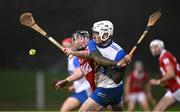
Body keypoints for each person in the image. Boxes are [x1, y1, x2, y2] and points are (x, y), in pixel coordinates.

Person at [61, 20, 132, 111]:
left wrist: (122, 67)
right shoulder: (92, 43)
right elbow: (93, 56)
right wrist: (73, 52)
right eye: (93, 33)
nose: (93, 35)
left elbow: (117, 79)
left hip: (108, 89)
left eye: (96, 33)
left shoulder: (118, 53)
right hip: (107, 88)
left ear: (105, 34)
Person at [55, 37, 91, 111]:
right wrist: (74, 85)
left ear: (74, 46)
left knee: (64, 110)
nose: (65, 49)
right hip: (83, 89)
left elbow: (80, 73)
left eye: (68, 46)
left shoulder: (75, 58)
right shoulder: (73, 58)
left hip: (86, 90)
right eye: (63, 47)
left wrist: (65, 81)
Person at [149, 39, 180, 111]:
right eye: (152, 47)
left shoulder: (164, 56)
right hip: (174, 89)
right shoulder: (164, 56)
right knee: (157, 109)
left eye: (156, 47)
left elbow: (171, 74)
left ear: (161, 47)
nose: (153, 50)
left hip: (178, 87)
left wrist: (158, 81)